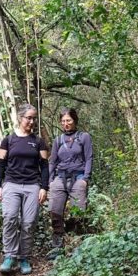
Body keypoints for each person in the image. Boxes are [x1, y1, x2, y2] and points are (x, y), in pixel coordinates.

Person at [0, 103, 48, 275]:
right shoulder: (8, 140)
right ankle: (10, 256)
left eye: (34, 118)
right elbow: (1, 164)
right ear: (20, 118)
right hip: (11, 184)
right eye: (28, 118)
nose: (31, 121)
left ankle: (24, 257)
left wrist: (44, 188)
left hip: (32, 185)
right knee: (10, 217)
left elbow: (45, 167)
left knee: (29, 222)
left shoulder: (39, 142)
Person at [47, 107, 93, 259]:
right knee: (55, 210)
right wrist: (49, 181)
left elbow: (89, 158)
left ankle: (76, 244)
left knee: (78, 212)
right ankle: (57, 245)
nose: (66, 124)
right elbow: (52, 161)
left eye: (69, 120)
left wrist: (85, 178)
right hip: (60, 178)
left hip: (78, 177)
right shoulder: (58, 140)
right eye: (63, 121)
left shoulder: (84, 137)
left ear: (75, 121)